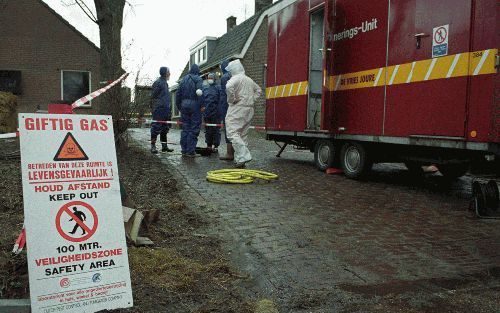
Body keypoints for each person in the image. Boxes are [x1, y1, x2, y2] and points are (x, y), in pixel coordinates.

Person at [224, 60, 262, 168]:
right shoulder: (249, 79)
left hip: (237, 108)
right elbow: (258, 90)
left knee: (232, 132)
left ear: (233, 70)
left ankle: (244, 156)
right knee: (243, 134)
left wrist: (232, 99)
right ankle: (240, 160)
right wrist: (252, 100)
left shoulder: (235, 78)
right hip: (249, 109)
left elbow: (228, 87)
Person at [176, 64, 204, 157]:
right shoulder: (198, 79)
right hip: (195, 106)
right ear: (197, 71)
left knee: (185, 128)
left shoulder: (183, 80)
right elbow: (200, 93)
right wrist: (202, 105)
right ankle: (190, 151)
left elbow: (178, 94)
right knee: (194, 128)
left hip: (184, 106)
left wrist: (179, 106)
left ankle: (184, 150)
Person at [150, 66, 173, 154]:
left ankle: (164, 146)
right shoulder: (158, 82)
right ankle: (153, 146)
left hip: (166, 110)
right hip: (159, 110)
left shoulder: (165, 83)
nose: (169, 73)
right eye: (168, 72)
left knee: (165, 128)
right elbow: (153, 96)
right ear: (165, 73)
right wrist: (156, 106)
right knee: (156, 127)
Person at [218, 59, 234, 160]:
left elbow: (225, 93)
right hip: (233, 106)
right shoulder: (233, 76)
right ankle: (234, 152)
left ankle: (229, 153)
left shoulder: (224, 77)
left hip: (227, 106)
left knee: (228, 129)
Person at [202, 73, 221, 152]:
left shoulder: (218, 88)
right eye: (208, 78)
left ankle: (216, 146)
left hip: (216, 113)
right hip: (207, 113)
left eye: (211, 78)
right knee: (208, 130)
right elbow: (202, 99)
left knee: (216, 130)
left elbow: (220, 100)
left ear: (214, 79)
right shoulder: (205, 88)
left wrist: (219, 111)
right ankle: (209, 145)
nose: (209, 79)